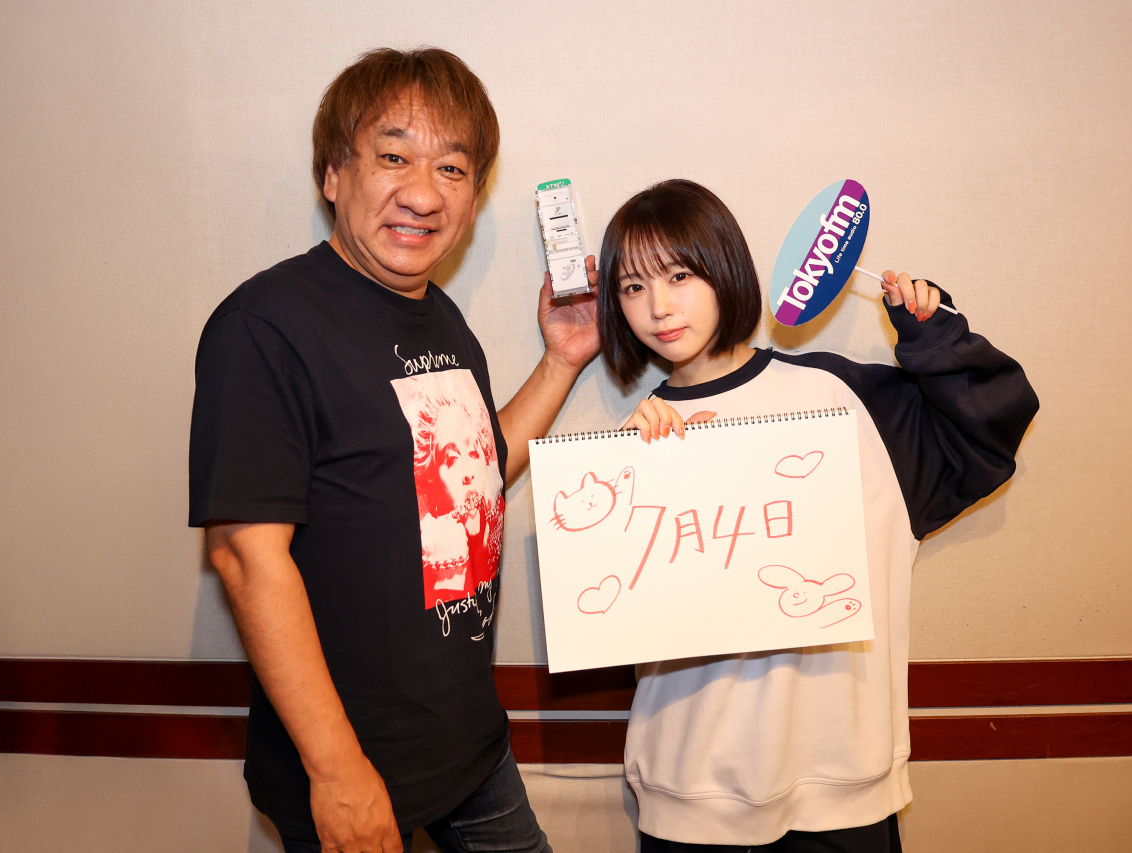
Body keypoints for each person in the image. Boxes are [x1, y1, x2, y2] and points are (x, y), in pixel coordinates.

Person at [188, 48, 599, 853]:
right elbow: (244, 556)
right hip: (350, 762)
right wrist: (337, 770)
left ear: (474, 197)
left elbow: (472, 469)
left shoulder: (440, 317)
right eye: (393, 156)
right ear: (333, 174)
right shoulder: (267, 323)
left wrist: (560, 361)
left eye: (452, 168)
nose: (422, 192)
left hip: (470, 745)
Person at [597, 180, 1039, 852]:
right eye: (633, 286)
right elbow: (613, 617)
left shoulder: (842, 397)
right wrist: (629, 472)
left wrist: (934, 335)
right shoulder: (631, 446)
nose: (658, 306)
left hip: (843, 789)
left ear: (724, 268)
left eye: (679, 275)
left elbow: (988, 432)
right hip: (688, 794)